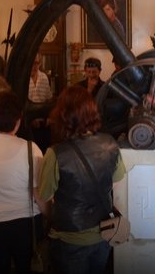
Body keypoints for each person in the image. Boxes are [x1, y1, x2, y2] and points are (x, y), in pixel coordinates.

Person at [38, 86, 125, 274]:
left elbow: (44, 199)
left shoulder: (55, 154)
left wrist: (53, 217)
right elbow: (116, 183)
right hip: (103, 234)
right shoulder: (110, 144)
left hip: (69, 238)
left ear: (62, 115)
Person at [0, 91, 47, 274]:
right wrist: (51, 217)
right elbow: (39, 194)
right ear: (18, 120)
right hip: (25, 224)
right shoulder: (31, 149)